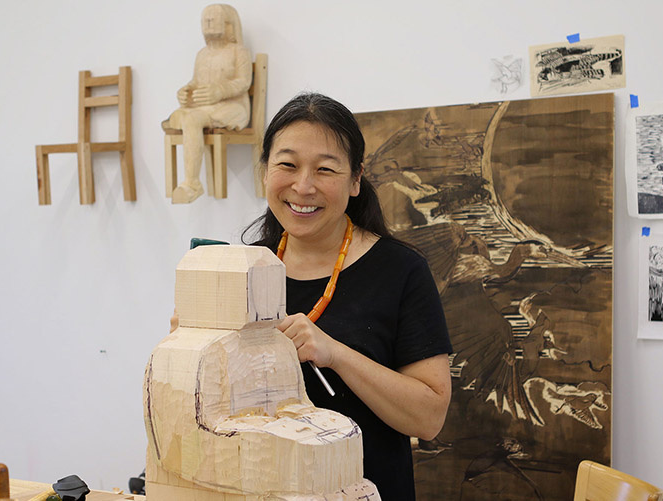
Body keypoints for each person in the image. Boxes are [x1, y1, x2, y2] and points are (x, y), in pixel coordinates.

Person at [242, 92, 452, 500]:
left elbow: (429, 418)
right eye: (287, 164)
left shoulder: (401, 271)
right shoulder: (246, 266)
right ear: (265, 171)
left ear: (356, 180)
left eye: (325, 169)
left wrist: (334, 353)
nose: (303, 186)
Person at [163, 3, 252, 204]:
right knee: (178, 117)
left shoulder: (238, 51)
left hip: (234, 108)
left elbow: (244, 82)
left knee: (191, 119)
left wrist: (220, 90)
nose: (209, 21)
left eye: (214, 17)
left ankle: (192, 184)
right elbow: (196, 82)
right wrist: (185, 91)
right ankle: (187, 183)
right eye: (206, 18)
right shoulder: (202, 54)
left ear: (228, 23)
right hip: (205, 108)